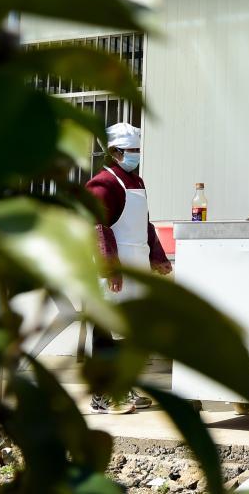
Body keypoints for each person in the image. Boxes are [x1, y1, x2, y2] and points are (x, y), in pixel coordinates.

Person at [86, 122, 172, 414]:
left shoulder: (137, 181)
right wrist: (110, 268)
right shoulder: (102, 184)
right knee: (106, 331)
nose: (136, 155)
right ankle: (102, 396)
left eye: (137, 149)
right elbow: (98, 228)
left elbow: (144, 224)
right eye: (130, 150)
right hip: (112, 269)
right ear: (114, 152)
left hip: (135, 265)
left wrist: (158, 257)